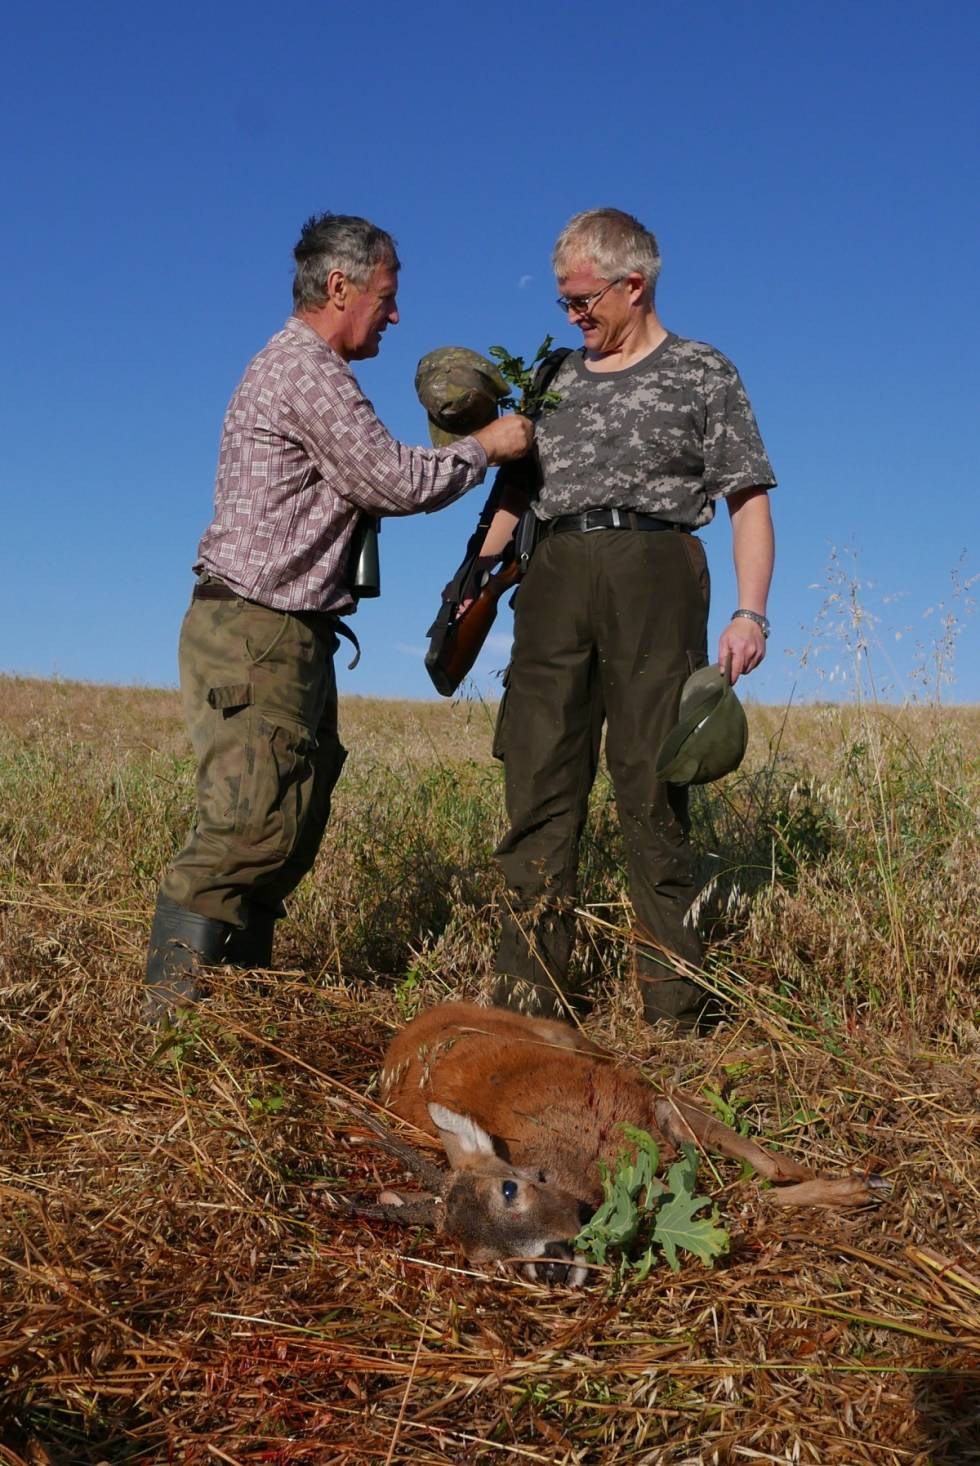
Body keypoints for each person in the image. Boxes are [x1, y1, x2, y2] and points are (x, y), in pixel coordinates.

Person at [143, 212, 533, 1023]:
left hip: (286, 633)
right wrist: (490, 447)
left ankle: (232, 1017)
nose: (395, 315)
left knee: (286, 821)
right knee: (247, 825)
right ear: (339, 287)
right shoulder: (306, 370)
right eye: (387, 297)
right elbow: (391, 479)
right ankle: (167, 1031)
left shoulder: (308, 370)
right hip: (259, 629)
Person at [472, 207, 776, 1031]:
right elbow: (513, 496)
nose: (570, 316)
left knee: (652, 788)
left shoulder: (703, 372)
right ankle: (529, 1006)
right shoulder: (553, 377)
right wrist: (475, 582)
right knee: (537, 780)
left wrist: (752, 612)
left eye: (581, 300)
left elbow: (747, 501)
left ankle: (673, 1012)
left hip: (656, 573)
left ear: (632, 284)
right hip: (554, 577)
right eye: (565, 301)